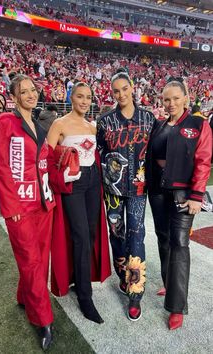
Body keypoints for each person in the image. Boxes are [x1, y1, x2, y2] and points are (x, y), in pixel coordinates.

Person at [0, 74, 56, 350]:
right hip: (20, 206)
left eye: (33, 90)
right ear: (14, 96)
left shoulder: (40, 122)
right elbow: (2, 168)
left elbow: (44, 159)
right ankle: (44, 320)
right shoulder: (4, 122)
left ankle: (24, 296)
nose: (31, 95)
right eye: (24, 91)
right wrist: (11, 206)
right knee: (30, 261)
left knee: (40, 259)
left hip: (43, 204)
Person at [146, 79, 212, 330]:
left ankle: (177, 306)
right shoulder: (160, 125)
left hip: (184, 195)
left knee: (180, 244)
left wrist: (197, 195)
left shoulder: (199, 124)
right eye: (166, 99)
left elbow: (203, 160)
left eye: (175, 98)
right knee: (163, 238)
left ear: (186, 97)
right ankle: (168, 283)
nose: (171, 103)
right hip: (158, 192)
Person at [47, 82, 111, 324]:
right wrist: (60, 177)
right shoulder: (59, 124)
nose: (85, 101)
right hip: (74, 183)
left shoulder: (92, 126)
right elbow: (46, 159)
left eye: (88, 97)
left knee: (91, 235)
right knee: (81, 236)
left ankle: (78, 279)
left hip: (93, 181)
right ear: (71, 97)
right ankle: (85, 296)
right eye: (80, 97)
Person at [96, 71, 155, 321]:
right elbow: (98, 152)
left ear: (132, 88)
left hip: (139, 190)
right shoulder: (105, 121)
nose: (121, 94)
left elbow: (156, 152)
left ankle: (135, 291)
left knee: (137, 237)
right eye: (116, 91)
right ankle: (122, 277)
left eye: (124, 89)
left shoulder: (149, 119)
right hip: (114, 192)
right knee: (117, 236)